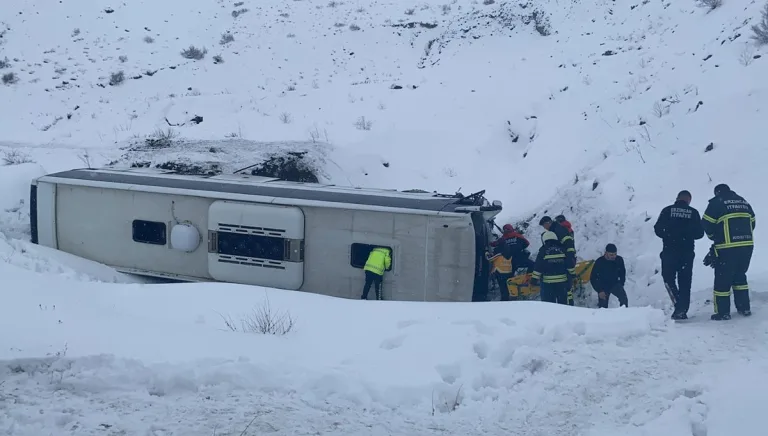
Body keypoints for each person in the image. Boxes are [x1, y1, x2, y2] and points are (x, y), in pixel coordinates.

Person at [702, 184, 756, 320]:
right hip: (746, 246)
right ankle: (744, 308)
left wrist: (715, 238)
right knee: (740, 276)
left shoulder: (716, 203)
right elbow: (753, 222)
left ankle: (723, 312)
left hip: (727, 247)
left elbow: (707, 224)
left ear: (717, 193)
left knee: (722, 279)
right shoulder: (743, 201)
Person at [653, 190, 705, 320]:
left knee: (668, 278)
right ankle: (682, 309)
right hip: (687, 253)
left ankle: (678, 305)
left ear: (677, 198)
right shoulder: (693, 213)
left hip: (669, 251)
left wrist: (669, 233)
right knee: (685, 282)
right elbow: (699, 234)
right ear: (689, 200)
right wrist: (687, 233)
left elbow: (658, 229)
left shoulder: (667, 210)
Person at [530, 231, 575, 305]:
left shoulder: (543, 250)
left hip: (547, 284)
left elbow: (538, 267)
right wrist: (573, 275)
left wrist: (534, 280)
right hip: (562, 283)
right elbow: (570, 265)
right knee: (563, 305)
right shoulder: (563, 249)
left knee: (549, 306)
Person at [540, 215, 576, 305]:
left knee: (566, 282)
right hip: (564, 257)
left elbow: (568, 242)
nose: (544, 228)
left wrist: (569, 255)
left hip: (565, 257)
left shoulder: (558, 229)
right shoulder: (555, 229)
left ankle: (569, 304)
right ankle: (568, 302)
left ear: (548, 223)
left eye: (544, 225)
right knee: (565, 282)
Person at [590, 243, 628, 308]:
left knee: (624, 299)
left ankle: (624, 314)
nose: (614, 256)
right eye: (611, 255)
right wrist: (599, 291)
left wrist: (621, 283)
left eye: (615, 254)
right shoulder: (599, 262)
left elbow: (622, 273)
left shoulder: (619, 260)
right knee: (603, 307)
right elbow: (593, 277)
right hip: (603, 286)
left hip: (615, 284)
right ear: (606, 253)